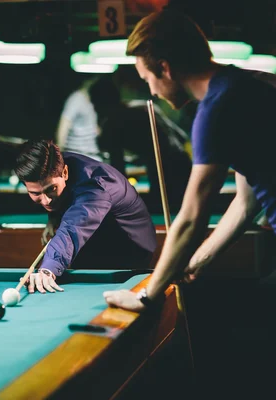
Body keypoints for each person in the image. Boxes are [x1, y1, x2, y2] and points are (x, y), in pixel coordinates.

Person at [102, 10, 276, 311]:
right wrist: (197, 259)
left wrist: (147, 295)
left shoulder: (216, 111)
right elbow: (246, 202)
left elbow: (193, 217)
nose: (151, 92)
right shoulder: (250, 85)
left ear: (165, 68)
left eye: (148, 79)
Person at [14, 140, 157, 294]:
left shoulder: (96, 186)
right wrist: (54, 217)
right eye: (35, 194)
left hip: (129, 249)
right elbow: (64, 198)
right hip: (94, 241)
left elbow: (72, 228)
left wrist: (48, 269)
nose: (46, 200)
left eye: (51, 189)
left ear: (65, 173)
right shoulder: (51, 167)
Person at [88, 75, 192, 213]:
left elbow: (118, 169)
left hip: (167, 168)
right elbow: (182, 137)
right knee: (175, 210)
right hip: (183, 163)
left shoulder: (114, 122)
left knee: (166, 209)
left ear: (101, 102)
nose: (94, 108)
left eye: (94, 103)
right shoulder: (143, 107)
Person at [55, 78, 103, 161]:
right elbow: (64, 124)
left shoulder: (90, 100)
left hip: (91, 156)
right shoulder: (76, 99)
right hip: (79, 156)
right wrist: (58, 157)